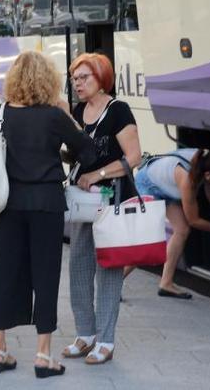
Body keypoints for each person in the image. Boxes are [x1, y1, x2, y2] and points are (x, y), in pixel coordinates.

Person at [0, 51, 94, 378]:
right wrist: (65, 140)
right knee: (46, 275)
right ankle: (43, 356)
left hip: (9, 205)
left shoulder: (1, 113)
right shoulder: (55, 116)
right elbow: (88, 151)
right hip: (47, 204)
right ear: (48, 80)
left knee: (5, 273)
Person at [62, 53, 141, 365]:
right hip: (83, 199)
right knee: (78, 266)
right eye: (75, 78)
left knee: (108, 268)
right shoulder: (80, 111)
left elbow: (133, 157)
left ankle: (106, 339)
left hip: (112, 195)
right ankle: (85, 333)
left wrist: (98, 174)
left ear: (101, 78)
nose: (78, 84)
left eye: (84, 78)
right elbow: (82, 155)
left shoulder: (118, 110)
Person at [132, 149, 210, 299]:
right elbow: (194, 220)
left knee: (182, 230)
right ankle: (117, 283)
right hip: (148, 184)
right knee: (149, 240)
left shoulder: (205, 164)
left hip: (166, 185)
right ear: (208, 175)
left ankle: (166, 283)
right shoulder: (187, 179)